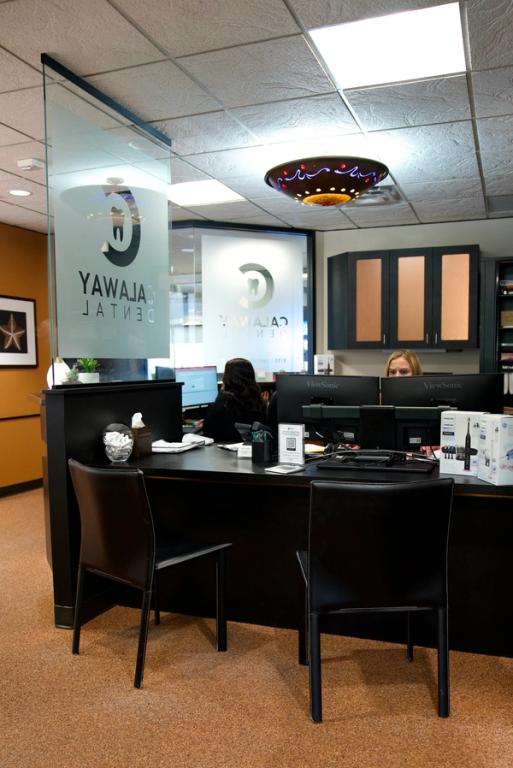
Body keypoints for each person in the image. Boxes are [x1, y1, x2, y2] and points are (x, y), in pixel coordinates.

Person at [202, 357, 267, 442]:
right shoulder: (258, 400)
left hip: (224, 451)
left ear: (228, 377)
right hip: (252, 449)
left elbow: (208, 430)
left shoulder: (224, 400)